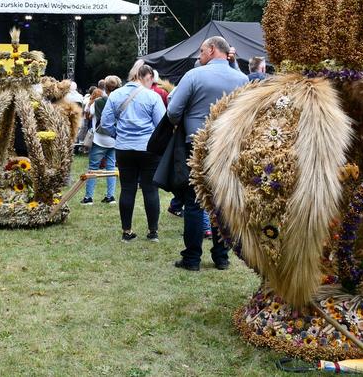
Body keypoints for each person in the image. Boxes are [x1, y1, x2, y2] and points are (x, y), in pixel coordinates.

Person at [168, 36, 248, 271]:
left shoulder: (194, 75)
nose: (199, 55)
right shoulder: (242, 79)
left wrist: (187, 121)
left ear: (212, 50)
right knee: (222, 202)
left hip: (197, 145)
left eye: (202, 50)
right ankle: (221, 257)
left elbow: (173, 111)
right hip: (228, 148)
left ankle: (192, 259)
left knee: (194, 202)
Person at [100, 62, 165, 242]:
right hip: (148, 149)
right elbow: (161, 124)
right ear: (148, 77)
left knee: (127, 190)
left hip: (123, 148)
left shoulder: (115, 95)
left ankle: (127, 232)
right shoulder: (152, 97)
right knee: (151, 191)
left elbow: (105, 123)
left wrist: (119, 134)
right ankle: (153, 232)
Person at [81, 75, 121, 205]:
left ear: (104, 87)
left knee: (93, 167)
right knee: (111, 167)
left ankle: (88, 197)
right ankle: (110, 196)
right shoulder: (120, 101)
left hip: (99, 138)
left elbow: (89, 112)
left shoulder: (98, 102)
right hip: (114, 138)